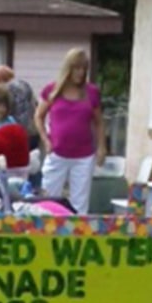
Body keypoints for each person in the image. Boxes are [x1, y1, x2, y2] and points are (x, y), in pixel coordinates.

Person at [34, 47, 107, 214]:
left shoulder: (91, 92)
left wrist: (102, 147)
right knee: (48, 199)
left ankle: (77, 234)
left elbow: (99, 122)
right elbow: (38, 116)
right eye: (76, 68)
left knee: (80, 204)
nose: (80, 73)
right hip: (57, 153)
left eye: (84, 68)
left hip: (84, 156)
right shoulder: (52, 90)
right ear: (68, 68)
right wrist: (45, 140)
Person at [0, 64, 38, 148]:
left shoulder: (5, 90)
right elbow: (36, 105)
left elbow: (2, 113)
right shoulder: (25, 85)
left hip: (16, 135)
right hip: (33, 132)